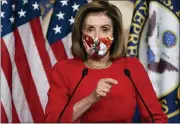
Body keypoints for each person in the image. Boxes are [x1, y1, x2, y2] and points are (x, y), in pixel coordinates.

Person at [44, 0, 168, 123]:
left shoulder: (131, 67)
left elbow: (157, 118)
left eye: (104, 29)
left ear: (114, 35)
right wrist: (91, 98)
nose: (97, 37)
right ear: (81, 35)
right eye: (90, 29)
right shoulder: (63, 70)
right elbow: (52, 121)